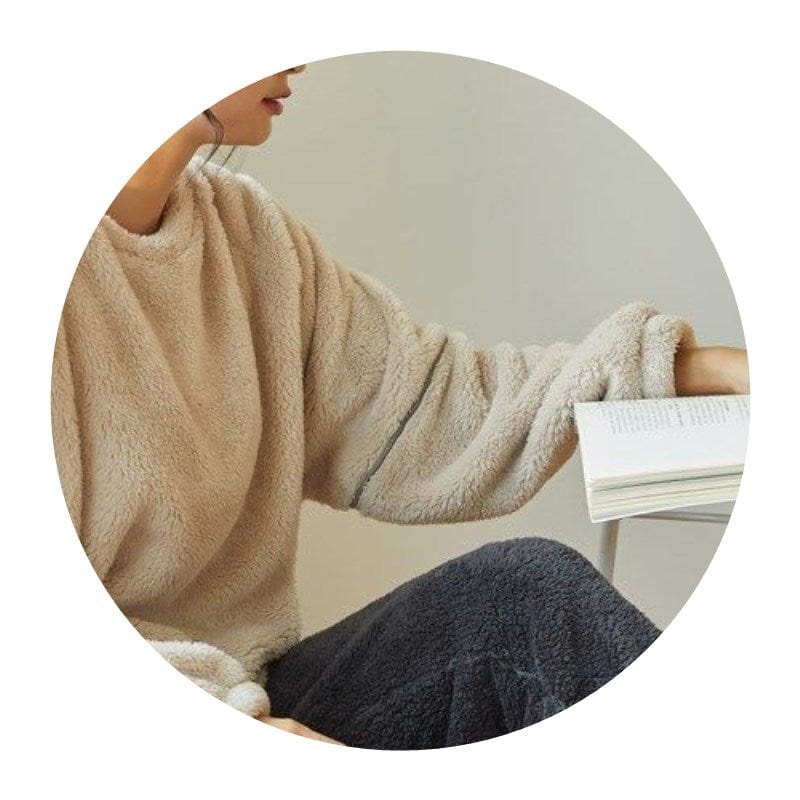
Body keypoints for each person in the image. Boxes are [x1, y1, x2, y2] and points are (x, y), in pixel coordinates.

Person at [50, 64, 749, 750]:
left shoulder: (249, 235)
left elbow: (428, 404)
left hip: (255, 688)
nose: (297, 58)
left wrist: (699, 367)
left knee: (523, 596)